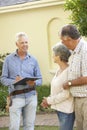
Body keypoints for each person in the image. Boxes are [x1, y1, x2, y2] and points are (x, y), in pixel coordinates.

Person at [1, 32, 42, 130]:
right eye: (22, 42)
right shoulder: (8, 59)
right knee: (14, 126)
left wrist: (34, 82)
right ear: (17, 44)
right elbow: (3, 78)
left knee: (29, 126)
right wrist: (14, 81)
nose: (25, 45)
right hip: (15, 97)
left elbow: (40, 79)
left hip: (31, 97)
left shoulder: (34, 60)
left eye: (26, 42)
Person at [41, 44, 75, 130]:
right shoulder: (59, 70)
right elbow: (57, 90)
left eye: (54, 54)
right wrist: (48, 99)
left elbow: (66, 94)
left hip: (66, 110)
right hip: (60, 109)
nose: (52, 56)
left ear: (58, 56)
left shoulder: (68, 72)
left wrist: (49, 101)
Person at [60, 24, 87, 130]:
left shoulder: (84, 51)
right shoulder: (74, 51)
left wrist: (69, 83)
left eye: (63, 40)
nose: (62, 43)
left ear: (69, 39)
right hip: (78, 99)